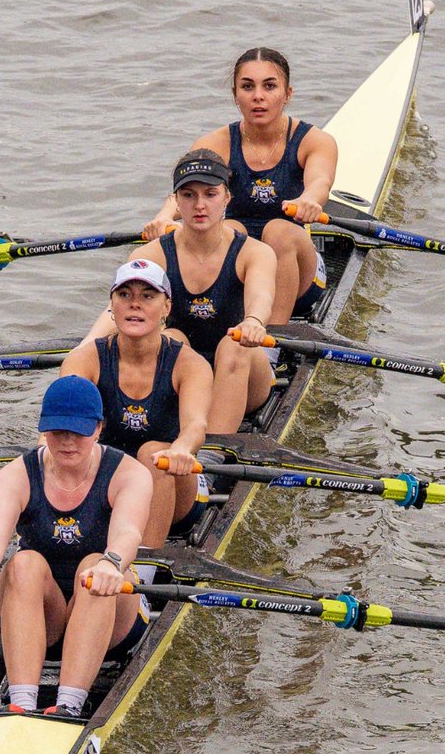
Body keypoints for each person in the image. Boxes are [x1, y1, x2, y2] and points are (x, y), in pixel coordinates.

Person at [0, 375, 153, 720]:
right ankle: (21, 704)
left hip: (113, 617)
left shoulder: (129, 474)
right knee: (22, 563)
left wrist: (111, 564)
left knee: (93, 564)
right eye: (57, 432)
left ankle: (68, 706)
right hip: (43, 616)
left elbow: (128, 532)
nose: (67, 442)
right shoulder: (15, 476)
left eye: (77, 432)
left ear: (98, 428)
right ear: (43, 430)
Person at [81, 153, 276, 434]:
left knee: (233, 344)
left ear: (227, 198)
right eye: (188, 195)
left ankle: (212, 452)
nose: (199, 205)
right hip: (180, 375)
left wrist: (254, 321)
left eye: (210, 194)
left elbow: (262, 296)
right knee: (170, 338)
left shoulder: (254, 253)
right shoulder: (151, 254)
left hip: (242, 372)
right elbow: (122, 310)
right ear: (176, 200)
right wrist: (84, 349)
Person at [142, 46, 338, 325]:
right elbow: (183, 194)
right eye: (247, 87)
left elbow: (320, 181)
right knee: (228, 230)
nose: (258, 96)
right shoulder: (213, 144)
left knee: (278, 230)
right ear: (235, 95)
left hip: (299, 273)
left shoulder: (314, 141)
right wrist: (163, 217)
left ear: (287, 94)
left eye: (269, 86)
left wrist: (309, 199)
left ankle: (273, 342)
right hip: (242, 261)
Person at [62, 258, 213, 549]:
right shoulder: (84, 360)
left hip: (176, 487)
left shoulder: (189, 364)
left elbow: (196, 426)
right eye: (125, 295)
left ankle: (143, 570)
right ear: (112, 306)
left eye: (147, 296)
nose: (135, 304)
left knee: (153, 454)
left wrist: (181, 448)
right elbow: (62, 426)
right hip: (109, 485)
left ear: (166, 307)